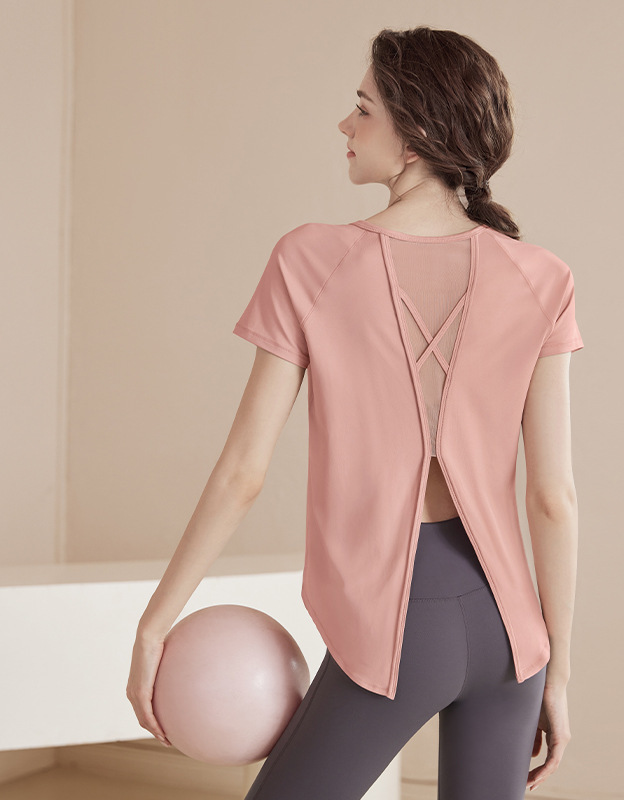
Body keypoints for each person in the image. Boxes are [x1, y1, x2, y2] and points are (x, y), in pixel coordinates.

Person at [128, 25, 583, 799]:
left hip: (404, 628)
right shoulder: (544, 276)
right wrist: (559, 675)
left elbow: (243, 473)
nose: (345, 123)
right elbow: (553, 499)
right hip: (513, 635)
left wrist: (153, 626)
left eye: (364, 108)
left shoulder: (310, 259)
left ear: (416, 135)